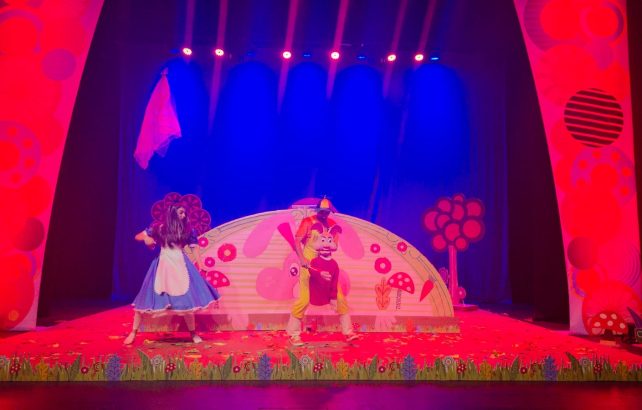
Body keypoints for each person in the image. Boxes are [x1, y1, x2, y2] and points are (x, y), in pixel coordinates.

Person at [123, 204, 220, 345]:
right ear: (173, 213)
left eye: (185, 213)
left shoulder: (188, 230)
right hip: (163, 265)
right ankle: (133, 332)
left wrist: (200, 264)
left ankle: (193, 333)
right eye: (181, 212)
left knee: (188, 302)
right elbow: (138, 236)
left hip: (180, 264)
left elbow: (195, 248)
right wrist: (146, 239)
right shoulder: (159, 227)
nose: (184, 215)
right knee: (145, 301)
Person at [286, 197, 360, 346]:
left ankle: (348, 332)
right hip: (309, 264)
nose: (324, 214)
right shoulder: (308, 222)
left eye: (326, 212)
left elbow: (334, 245)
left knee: (339, 297)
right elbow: (297, 241)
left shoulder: (332, 224)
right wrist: (302, 259)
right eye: (321, 211)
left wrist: (327, 249)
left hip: (325, 263)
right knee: (304, 299)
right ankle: (293, 334)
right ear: (317, 210)